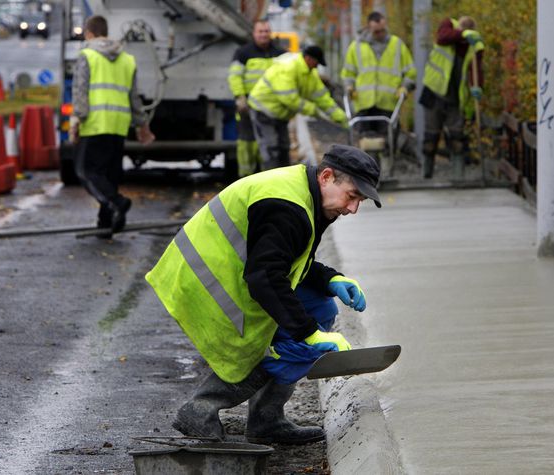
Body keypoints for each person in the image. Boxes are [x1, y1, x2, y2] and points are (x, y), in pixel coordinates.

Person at [145, 144, 381, 444]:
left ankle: (266, 420)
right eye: (352, 196)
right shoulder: (287, 207)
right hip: (209, 285)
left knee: (321, 310)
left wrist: (330, 279)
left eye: (359, 201)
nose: (352, 209)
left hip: (232, 274)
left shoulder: (305, 192)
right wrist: (309, 334)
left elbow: (285, 261)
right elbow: (266, 278)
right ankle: (201, 408)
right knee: (302, 344)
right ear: (326, 176)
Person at [70, 15, 155, 239]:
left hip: (95, 124)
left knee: (85, 172)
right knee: (109, 175)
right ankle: (106, 222)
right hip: (118, 125)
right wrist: (142, 124)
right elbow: (134, 97)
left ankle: (118, 203)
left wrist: (76, 121)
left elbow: (80, 92)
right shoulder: (127, 59)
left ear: (89, 33)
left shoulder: (86, 55)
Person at [247, 46, 348, 170]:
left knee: (284, 148)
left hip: (280, 114)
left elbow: (322, 98)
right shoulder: (288, 67)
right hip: (263, 110)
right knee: (270, 147)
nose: (317, 66)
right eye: (316, 63)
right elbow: (288, 98)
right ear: (308, 58)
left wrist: (340, 116)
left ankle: (282, 179)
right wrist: (312, 110)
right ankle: (269, 179)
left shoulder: (310, 74)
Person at [419, 16, 484, 179]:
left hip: (455, 98)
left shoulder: (474, 46)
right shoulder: (447, 26)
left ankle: (458, 175)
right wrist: (462, 34)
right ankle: (426, 175)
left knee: (457, 139)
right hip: (434, 93)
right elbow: (443, 37)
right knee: (430, 138)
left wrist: (477, 87)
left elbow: (476, 69)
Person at [341, 11, 417, 137]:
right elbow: (348, 72)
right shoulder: (356, 47)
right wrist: (349, 87)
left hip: (388, 104)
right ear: (368, 28)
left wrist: (405, 87)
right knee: (364, 142)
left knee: (388, 141)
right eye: (377, 32)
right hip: (363, 103)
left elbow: (410, 71)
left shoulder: (397, 45)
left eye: (383, 30)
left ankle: (386, 156)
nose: (381, 34)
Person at [228, 20, 285, 177]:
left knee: (269, 146)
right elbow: (235, 77)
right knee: (247, 144)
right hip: (247, 107)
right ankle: (245, 178)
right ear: (254, 34)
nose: (264, 34)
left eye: (266, 31)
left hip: (271, 109)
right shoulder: (243, 53)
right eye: (260, 31)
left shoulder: (280, 53)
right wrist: (240, 97)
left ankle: (264, 178)